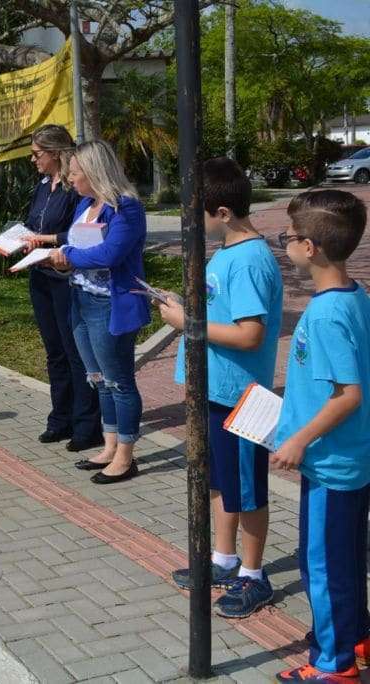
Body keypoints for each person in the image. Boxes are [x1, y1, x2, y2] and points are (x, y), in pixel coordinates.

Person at [157, 158, 283, 619]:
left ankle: (254, 575)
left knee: (247, 490)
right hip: (217, 391)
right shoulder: (230, 253)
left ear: (224, 213)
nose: (193, 224)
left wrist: (188, 324)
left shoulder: (248, 259)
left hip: (243, 400)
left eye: (198, 215)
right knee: (220, 482)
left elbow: (250, 334)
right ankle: (224, 560)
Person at [271, 190, 369, 683]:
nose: (284, 245)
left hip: (330, 466)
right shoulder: (354, 297)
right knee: (346, 561)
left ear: (310, 248)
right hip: (349, 461)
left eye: (287, 237)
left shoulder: (327, 314)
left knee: (323, 571)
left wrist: (298, 439)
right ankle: (356, 637)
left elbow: (348, 394)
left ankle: (334, 665)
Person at [48, 140, 148, 484]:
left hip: (111, 305)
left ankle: (125, 455)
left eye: (74, 173)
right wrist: (62, 259)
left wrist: (66, 257)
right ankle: (108, 446)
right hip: (80, 300)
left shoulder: (127, 208)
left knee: (119, 382)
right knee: (98, 380)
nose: (71, 179)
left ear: (94, 172)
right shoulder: (85, 205)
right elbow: (74, 247)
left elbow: (109, 254)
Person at [20, 124, 102, 451]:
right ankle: (60, 418)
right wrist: (23, 239)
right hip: (40, 275)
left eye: (37, 154)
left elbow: (83, 234)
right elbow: (34, 223)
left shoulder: (74, 189)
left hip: (66, 279)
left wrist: (47, 240)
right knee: (54, 351)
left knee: (75, 352)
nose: (32, 159)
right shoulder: (43, 186)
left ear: (55, 153)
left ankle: (87, 425)